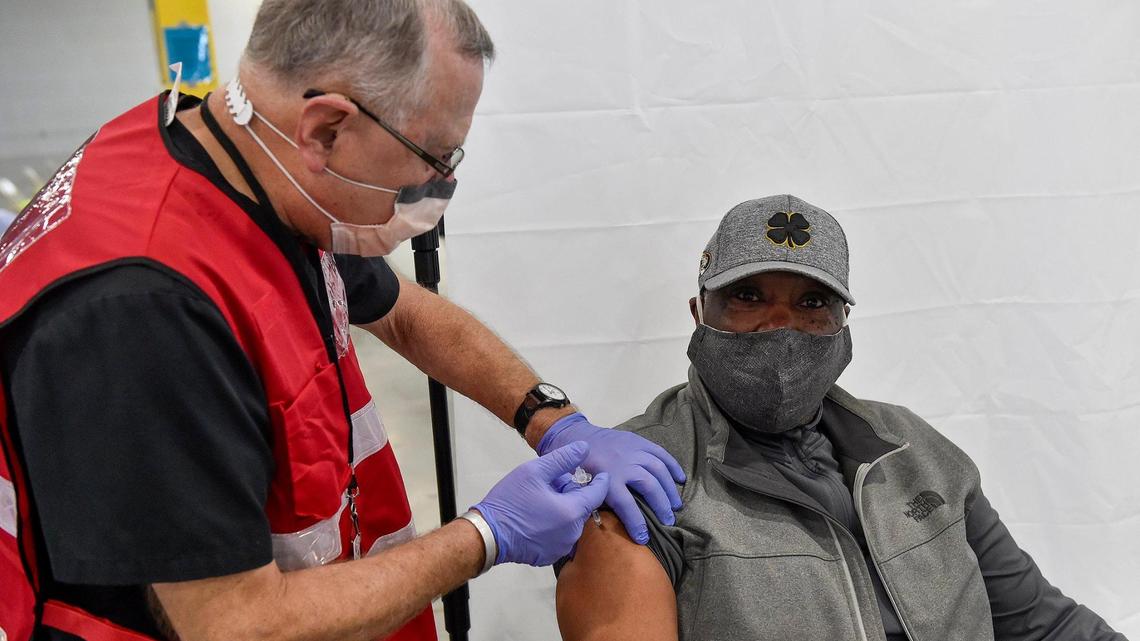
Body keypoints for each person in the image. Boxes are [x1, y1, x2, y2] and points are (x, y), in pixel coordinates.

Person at [0, 1, 686, 640]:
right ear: (326, 128)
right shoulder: (145, 312)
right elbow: (235, 623)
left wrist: (549, 417)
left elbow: (404, 313)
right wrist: (486, 534)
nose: (438, 186)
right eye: (433, 157)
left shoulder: (255, 165)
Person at [554, 195, 1127, 641]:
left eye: (810, 302)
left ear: (843, 324)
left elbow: (1042, 625)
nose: (779, 326)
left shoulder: (914, 451)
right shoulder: (638, 479)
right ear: (698, 312)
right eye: (748, 296)